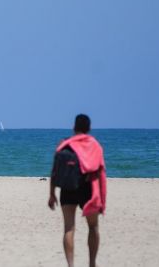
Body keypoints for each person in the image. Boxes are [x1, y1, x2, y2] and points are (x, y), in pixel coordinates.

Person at [48, 114, 107, 267]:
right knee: (93, 227)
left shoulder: (65, 145)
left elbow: (55, 170)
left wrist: (52, 193)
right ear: (89, 128)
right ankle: (92, 263)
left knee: (69, 228)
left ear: (74, 127)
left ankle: (70, 265)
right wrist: (101, 196)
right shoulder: (95, 145)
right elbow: (100, 172)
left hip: (68, 187)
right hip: (88, 188)